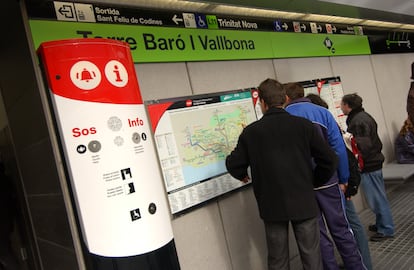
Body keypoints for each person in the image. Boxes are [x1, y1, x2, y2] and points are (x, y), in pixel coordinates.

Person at [226, 79, 338, 270]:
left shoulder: (252, 132)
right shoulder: (304, 126)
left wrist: (242, 174)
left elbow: (233, 162)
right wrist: (314, 179)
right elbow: (329, 159)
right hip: (304, 200)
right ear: (285, 99)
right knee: (312, 257)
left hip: (272, 205)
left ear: (262, 102)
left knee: (278, 260)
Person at [285, 83, 365, 270]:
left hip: (302, 187)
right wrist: (343, 178)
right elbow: (338, 149)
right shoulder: (323, 113)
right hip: (329, 182)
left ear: (286, 97)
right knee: (342, 230)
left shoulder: (285, 118)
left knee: (318, 236)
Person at [306, 93, 373, 270]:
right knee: (346, 227)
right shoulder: (328, 122)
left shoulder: (319, 125)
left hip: (336, 184)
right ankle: (361, 264)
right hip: (337, 182)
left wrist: (346, 182)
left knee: (346, 225)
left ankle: (362, 263)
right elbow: (340, 152)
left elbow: (341, 153)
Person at [341, 93, 395, 241]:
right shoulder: (362, 116)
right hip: (374, 162)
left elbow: (363, 146)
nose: (340, 106)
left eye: (342, 104)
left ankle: (386, 229)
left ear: (348, 106)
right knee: (378, 196)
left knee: (376, 198)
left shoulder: (358, 121)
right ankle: (381, 224)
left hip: (369, 165)